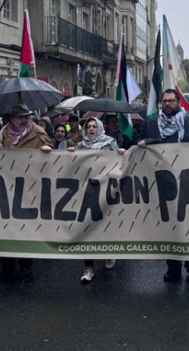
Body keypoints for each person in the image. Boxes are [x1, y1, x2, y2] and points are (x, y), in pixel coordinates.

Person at [138, 89, 189, 282]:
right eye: (165, 101)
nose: (168, 104)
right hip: (163, 184)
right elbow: (137, 147)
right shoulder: (151, 124)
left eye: (171, 101)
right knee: (170, 226)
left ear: (179, 103)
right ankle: (173, 267)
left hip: (188, 182)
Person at [0, 104, 52, 282]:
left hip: (29, 187)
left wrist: (47, 151)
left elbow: (53, 156)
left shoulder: (39, 133)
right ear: (11, 118)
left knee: (25, 227)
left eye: (26, 116)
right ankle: (7, 266)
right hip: (7, 186)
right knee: (6, 228)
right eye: (20, 117)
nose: (24, 120)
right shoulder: (3, 134)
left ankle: (25, 265)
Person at [71, 118, 126, 283]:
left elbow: (119, 164)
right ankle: (88, 268)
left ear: (100, 128)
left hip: (106, 190)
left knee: (106, 224)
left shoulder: (109, 143)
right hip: (87, 191)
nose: (91, 129)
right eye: (89, 127)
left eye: (95, 127)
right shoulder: (80, 146)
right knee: (88, 228)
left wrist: (121, 154)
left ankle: (109, 252)